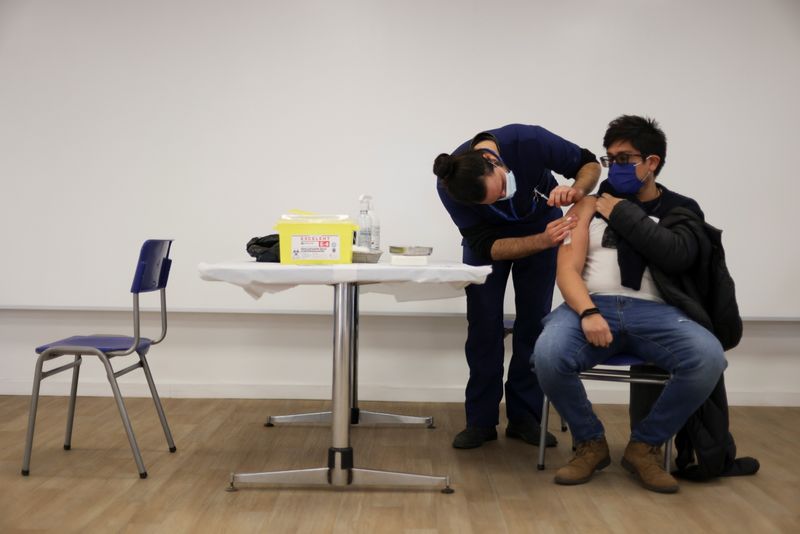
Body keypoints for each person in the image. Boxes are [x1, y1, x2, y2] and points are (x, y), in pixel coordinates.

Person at [532, 115, 729, 493]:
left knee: (708, 358)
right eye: (610, 159)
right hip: (591, 306)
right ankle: (590, 443)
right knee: (547, 353)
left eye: (624, 159)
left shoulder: (678, 209)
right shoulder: (588, 205)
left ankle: (645, 446)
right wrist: (588, 312)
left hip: (657, 313)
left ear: (651, 162)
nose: (614, 167)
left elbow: (681, 257)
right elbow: (567, 272)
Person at [434, 124, 600, 449]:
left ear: (494, 161)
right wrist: (540, 240)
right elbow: (485, 246)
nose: (501, 196)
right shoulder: (450, 186)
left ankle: (525, 417)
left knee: (534, 325)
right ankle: (480, 421)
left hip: (543, 227)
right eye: (490, 200)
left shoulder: (528, 142)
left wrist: (576, 190)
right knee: (484, 328)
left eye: (499, 189)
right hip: (491, 243)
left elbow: (590, 164)